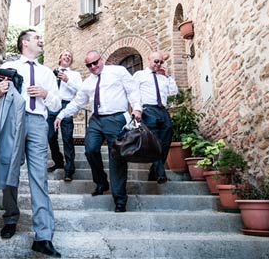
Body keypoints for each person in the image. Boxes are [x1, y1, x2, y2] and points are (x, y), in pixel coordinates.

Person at [0, 29, 62, 258]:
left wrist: (45, 93)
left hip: (39, 124)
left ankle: (43, 236)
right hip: (14, 122)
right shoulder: (12, 69)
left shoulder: (47, 72)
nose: (41, 40)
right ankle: (10, 218)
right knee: (10, 171)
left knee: (39, 176)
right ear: (24, 43)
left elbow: (57, 105)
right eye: (36, 38)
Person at [54, 51, 142, 213]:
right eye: (89, 65)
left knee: (116, 158)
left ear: (101, 59)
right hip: (96, 120)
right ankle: (101, 181)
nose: (93, 67)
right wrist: (61, 115)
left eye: (95, 63)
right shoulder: (88, 82)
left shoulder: (118, 71)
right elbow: (77, 102)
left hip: (116, 118)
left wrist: (137, 107)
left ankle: (120, 199)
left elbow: (132, 90)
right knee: (90, 149)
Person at [132, 52, 179, 184]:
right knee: (155, 141)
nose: (158, 64)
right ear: (149, 60)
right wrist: (137, 109)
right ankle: (160, 173)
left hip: (162, 110)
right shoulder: (139, 75)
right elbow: (134, 93)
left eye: (161, 62)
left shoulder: (163, 78)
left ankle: (154, 171)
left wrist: (168, 75)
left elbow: (173, 92)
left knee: (167, 137)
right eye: (156, 61)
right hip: (148, 110)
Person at [46, 50, 83, 181]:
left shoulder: (75, 74)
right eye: (65, 55)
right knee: (50, 136)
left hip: (67, 104)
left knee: (67, 137)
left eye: (69, 56)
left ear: (71, 61)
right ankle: (58, 161)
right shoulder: (51, 73)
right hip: (52, 104)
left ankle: (69, 170)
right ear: (60, 58)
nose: (67, 57)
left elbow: (80, 90)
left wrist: (67, 80)